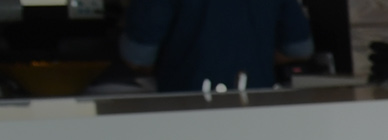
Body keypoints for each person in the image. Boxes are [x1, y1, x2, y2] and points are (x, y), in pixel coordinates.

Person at [119, 0, 316, 93]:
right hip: (255, 104)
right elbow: (299, 49)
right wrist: (254, 56)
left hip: (185, 110)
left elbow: (137, 57)